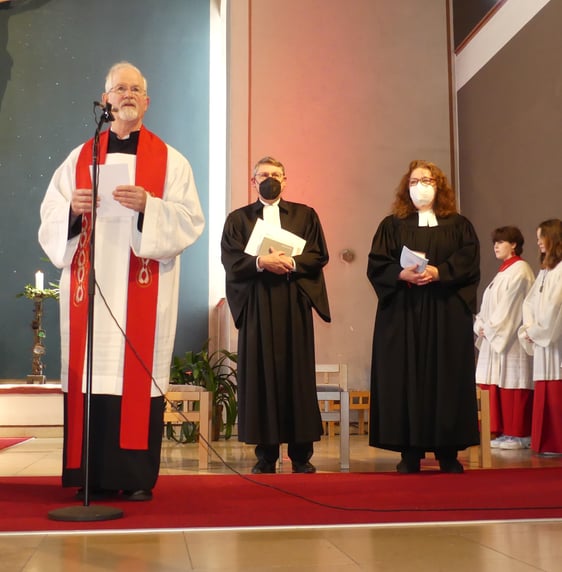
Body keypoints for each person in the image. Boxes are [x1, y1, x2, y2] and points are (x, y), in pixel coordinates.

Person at [38, 61, 205, 501]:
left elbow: (190, 221)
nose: (127, 94)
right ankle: (88, 475)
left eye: (135, 89)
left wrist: (151, 206)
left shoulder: (171, 162)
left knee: (134, 378)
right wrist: (73, 210)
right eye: (119, 89)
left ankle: (133, 478)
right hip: (91, 292)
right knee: (92, 377)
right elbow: (50, 217)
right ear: (105, 99)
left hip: (140, 288)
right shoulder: (79, 158)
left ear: (147, 102)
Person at [367, 159, 480, 474]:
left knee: (447, 377)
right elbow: (376, 263)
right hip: (403, 314)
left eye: (427, 180)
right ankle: (410, 452)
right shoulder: (391, 225)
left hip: (445, 314)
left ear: (439, 186)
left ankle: (448, 452)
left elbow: (469, 262)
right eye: (415, 181)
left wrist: (439, 271)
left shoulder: (459, 225)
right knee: (405, 377)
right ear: (407, 188)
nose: (421, 186)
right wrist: (401, 274)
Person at [221, 156, 331, 474]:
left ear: (286, 180)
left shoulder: (305, 215)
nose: (270, 179)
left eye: (276, 174)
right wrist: (260, 262)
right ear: (253, 181)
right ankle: (265, 455)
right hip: (257, 302)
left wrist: (292, 263)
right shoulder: (238, 219)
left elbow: (318, 254)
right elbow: (230, 259)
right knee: (260, 376)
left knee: (297, 375)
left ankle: (301, 455)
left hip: (293, 301)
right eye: (263, 175)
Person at [474, 226, 535, 450]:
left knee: (513, 382)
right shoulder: (502, 272)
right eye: (495, 242)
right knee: (495, 382)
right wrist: (480, 324)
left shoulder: (521, 270)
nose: (496, 246)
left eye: (501, 242)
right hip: (495, 337)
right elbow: (487, 307)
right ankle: (498, 430)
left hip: (510, 341)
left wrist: (489, 328)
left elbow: (509, 309)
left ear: (514, 245)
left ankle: (518, 434)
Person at [518, 219, 562, 455]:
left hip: (556, 342)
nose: (537, 242)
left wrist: (536, 330)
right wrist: (529, 329)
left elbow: (555, 308)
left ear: (553, 238)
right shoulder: (546, 271)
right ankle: (546, 442)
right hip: (543, 339)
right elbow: (531, 303)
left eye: (540, 237)